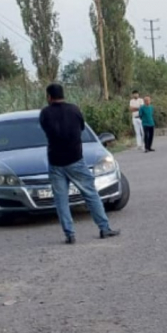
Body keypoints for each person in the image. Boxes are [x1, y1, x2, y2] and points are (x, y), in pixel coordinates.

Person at [39, 84, 120, 244]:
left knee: (61, 199)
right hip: (76, 159)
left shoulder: (45, 113)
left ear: (49, 97)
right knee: (91, 194)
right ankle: (104, 228)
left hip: (55, 161)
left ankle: (70, 234)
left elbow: (45, 129)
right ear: (63, 95)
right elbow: (81, 127)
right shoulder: (74, 110)